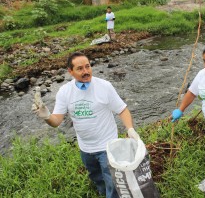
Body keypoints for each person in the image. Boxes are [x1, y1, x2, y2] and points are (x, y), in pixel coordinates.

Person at [32, 52, 139, 198]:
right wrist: (47, 116)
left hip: (107, 146)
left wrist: (130, 129)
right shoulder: (65, 91)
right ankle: (102, 192)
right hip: (85, 148)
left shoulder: (104, 86)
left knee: (112, 183)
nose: (86, 71)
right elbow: (56, 121)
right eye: (80, 68)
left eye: (88, 66)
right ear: (70, 71)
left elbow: (122, 109)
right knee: (97, 177)